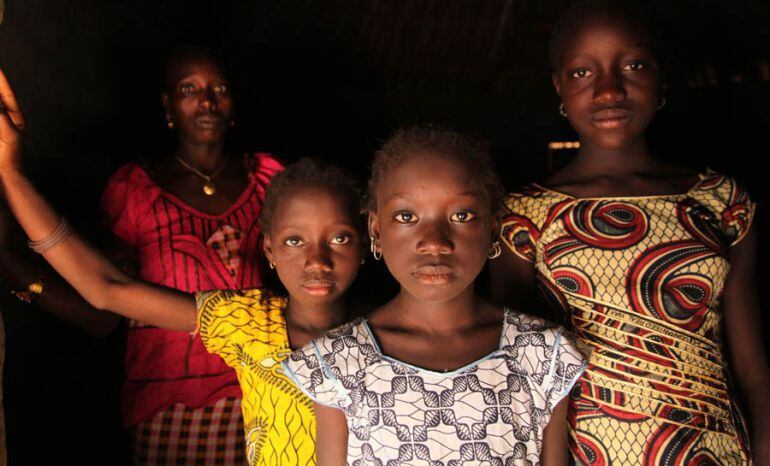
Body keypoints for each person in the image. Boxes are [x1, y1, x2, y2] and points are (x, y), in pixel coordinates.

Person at [0, 65, 367, 465]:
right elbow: (107, 289)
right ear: (269, 248)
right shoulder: (246, 322)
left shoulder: (380, 335)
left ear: (368, 242)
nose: (317, 260)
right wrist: (10, 173)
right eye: (294, 241)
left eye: (340, 238)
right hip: (171, 406)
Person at [490, 1, 770, 464]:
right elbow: (521, 371)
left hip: (714, 453)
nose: (609, 89)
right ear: (559, 87)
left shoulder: (722, 202)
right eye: (583, 72)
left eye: (634, 65)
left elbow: (751, 364)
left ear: (661, 77)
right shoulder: (523, 217)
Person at [283, 126, 588, 465]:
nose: (434, 241)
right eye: (407, 216)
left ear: (492, 229)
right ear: (376, 230)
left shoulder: (541, 355)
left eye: (461, 215)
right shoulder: (339, 361)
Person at [103, 47, 283, 464]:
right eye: (189, 89)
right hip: (169, 401)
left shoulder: (269, 179)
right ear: (168, 105)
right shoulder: (135, 190)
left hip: (261, 387)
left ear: (233, 102)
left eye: (218, 88)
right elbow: (110, 293)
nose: (206, 102)